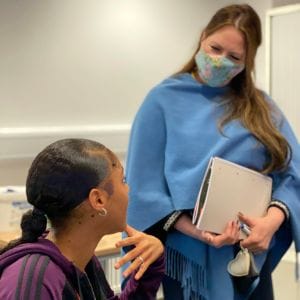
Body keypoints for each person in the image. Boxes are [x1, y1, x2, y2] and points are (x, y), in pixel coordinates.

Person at [125, 4, 300, 300]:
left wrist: (271, 222)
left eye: (234, 57)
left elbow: (292, 175)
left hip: (248, 259)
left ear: (248, 61)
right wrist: (198, 231)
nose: (219, 62)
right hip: (188, 261)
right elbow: (143, 189)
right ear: (203, 37)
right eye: (215, 48)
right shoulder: (162, 100)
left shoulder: (262, 108)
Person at [0, 138, 164, 299]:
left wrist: (150, 266)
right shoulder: (35, 282)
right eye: (123, 181)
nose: (128, 190)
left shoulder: (83, 261)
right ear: (98, 200)